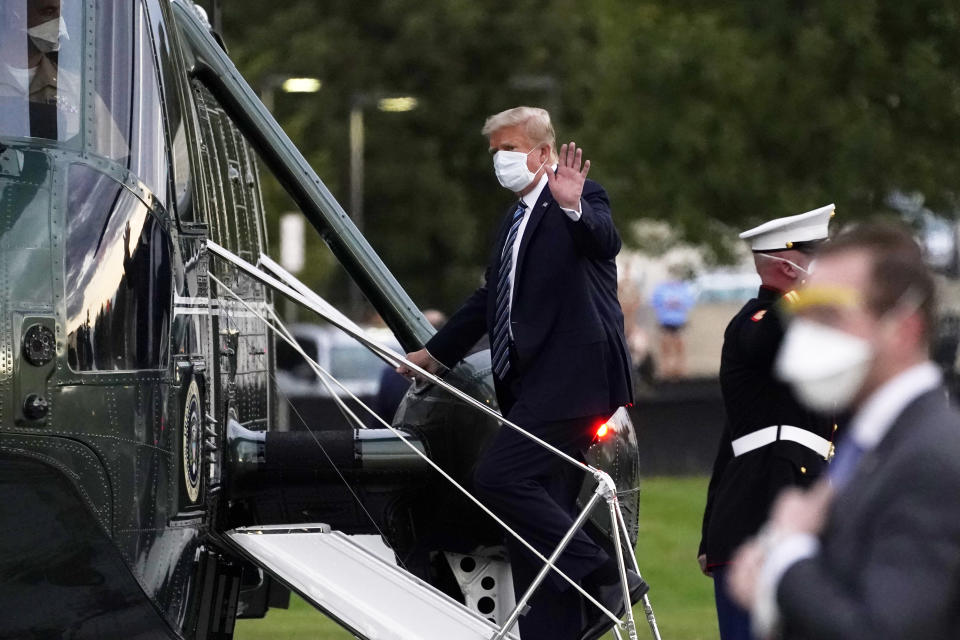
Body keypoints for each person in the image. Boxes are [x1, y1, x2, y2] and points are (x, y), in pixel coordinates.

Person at [398, 106, 643, 640]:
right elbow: (491, 298)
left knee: (499, 476)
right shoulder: (512, 220)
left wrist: (574, 207)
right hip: (531, 386)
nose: (500, 162)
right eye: (494, 153)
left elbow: (604, 240)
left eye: (509, 150)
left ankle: (603, 572)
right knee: (536, 526)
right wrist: (436, 354)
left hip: (575, 383)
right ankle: (562, 620)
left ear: (543, 153)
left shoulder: (579, 199)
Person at [728, 223, 960, 640]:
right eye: (806, 314)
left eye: (830, 314)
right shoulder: (875, 444)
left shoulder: (931, 458)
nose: (809, 334)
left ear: (903, 329)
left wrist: (787, 562)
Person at [698, 204, 836, 640]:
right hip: (758, 507)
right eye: (815, 257)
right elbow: (765, 343)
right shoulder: (754, 322)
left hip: (805, 501)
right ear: (786, 265)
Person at [650, 265, 697, 379]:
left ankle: (680, 369)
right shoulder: (661, 288)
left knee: (679, 344)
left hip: (679, 321)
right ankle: (666, 369)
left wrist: (677, 303)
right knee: (665, 345)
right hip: (665, 321)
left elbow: (689, 303)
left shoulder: (684, 288)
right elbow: (655, 302)